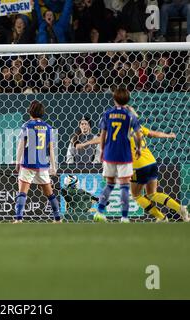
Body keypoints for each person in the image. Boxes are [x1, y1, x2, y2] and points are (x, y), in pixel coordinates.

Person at [76, 107, 189, 222]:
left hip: (138, 166)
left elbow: (102, 139)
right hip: (151, 162)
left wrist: (85, 144)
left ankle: (161, 217)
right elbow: (153, 133)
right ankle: (179, 208)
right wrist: (169, 135)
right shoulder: (137, 127)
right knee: (153, 193)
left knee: (136, 195)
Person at [95, 87, 141, 223]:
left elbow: (103, 134)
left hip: (109, 153)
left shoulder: (107, 113)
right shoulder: (129, 115)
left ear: (114, 98)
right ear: (128, 100)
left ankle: (99, 212)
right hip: (124, 155)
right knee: (124, 186)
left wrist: (102, 150)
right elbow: (138, 135)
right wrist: (138, 148)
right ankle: (125, 217)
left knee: (109, 184)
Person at [14, 100, 61, 223]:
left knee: (22, 193)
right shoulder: (48, 128)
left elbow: (21, 146)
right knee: (50, 194)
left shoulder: (26, 126)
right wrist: (53, 167)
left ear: (30, 111)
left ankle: (18, 219)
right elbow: (51, 149)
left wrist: (17, 162)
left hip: (28, 164)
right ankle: (58, 219)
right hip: (42, 165)